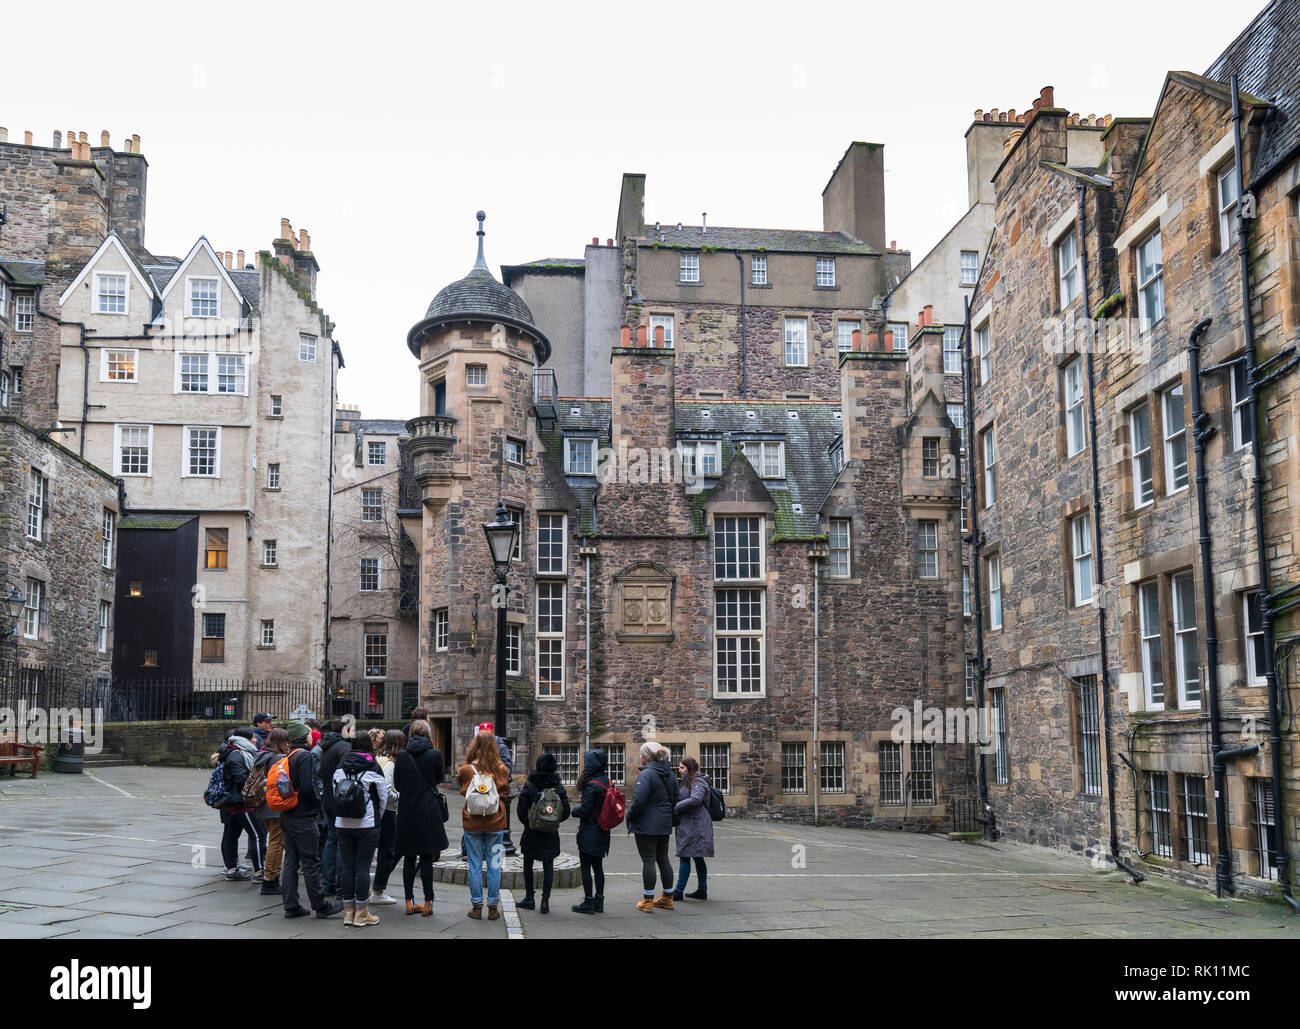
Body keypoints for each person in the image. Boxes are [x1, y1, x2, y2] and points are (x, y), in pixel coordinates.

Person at [279, 720, 345, 919]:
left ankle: (291, 905)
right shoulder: (305, 756)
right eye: (309, 734)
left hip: (287, 814)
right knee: (310, 862)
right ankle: (320, 905)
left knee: (290, 861)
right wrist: (318, 803)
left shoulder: (288, 755)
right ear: (303, 736)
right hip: (303, 816)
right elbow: (308, 787)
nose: (312, 736)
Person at [332, 733, 388, 927]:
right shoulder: (373, 767)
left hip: (342, 823)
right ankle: (362, 914)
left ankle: (349, 913)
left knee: (348, 867)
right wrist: (376, 816)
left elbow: (335, 794)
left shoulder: (340, 767)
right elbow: (383, 797)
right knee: (362, 868)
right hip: (367, 823)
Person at [393, 720, 448, 916]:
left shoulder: (401, 755)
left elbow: (397, 785)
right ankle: (427, 903)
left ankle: (408, 902)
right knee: (426, 857)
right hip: (428, 811)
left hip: (407, 811)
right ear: (427, 734)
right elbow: (438, 780)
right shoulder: (435, 754)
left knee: (408, 857)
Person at [458, 729, 510, 920]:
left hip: (472, 823)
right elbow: (503, 794)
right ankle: (493, 908)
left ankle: (477, 906)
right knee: (495, 865)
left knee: (474, 865)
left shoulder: (466, 770)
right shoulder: (501, 769)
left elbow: (464, 792)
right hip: (495, 823)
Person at [515, 752, 570, 914]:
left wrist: (531, 823)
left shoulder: (530, 784)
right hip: (550, 833)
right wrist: (553, 822)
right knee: (548, 864)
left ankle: (529, 898)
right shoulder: (558, 787)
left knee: (528, 864)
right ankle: (545, 901)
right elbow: (566, 811)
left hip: (531, 832)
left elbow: (520, 810)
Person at [627, 741, 677, 912]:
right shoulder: (670, 774)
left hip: (647, 824)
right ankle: (668, 897)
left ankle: (647, 900)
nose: (640, 757)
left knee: (648, 860)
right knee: (663, 858)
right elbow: (675, 799)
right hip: (664, 822)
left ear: (646, 757)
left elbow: (639, 801)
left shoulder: (647, 774)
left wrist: (630, 815)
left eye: (641, 754)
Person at [218, 728, 265, 881]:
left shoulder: (236, 751)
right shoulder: (236, 754)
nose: (255, 740)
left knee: (231, 835)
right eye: (252, 737)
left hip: (234, 802)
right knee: (257, 835)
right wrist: (255, 786)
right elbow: (240, 779)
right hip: (241, 803)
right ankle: (260, 872)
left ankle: (232, 870)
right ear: (245, 739)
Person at [570, 749, 611, 915]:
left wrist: (574, 811)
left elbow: (586, 810)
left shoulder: (592, 785)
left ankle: (588, 901)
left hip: (590, 830)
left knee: (586, 867)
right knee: (598, 867)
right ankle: (599, 901)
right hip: (603, 830)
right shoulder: (606, 781)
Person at [316, 719, 353, 900]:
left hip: (328, 799)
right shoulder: (343, 748)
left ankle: (327, 884)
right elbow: (347, 771)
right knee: (341, 843)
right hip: (340, 799)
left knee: (331, 841)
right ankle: (340, 887)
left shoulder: (326, 746)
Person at [368, 729, 404, 907]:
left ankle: (377, 888)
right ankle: (378, 890)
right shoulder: (389, 764)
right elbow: (388, 791)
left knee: (386, 850)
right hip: (389, 811)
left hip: (379, 810)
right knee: (388, 851)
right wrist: (400, 797)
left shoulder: (378, 759)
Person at [254, 727, 291, 896]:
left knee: (274, 841)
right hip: (274, 804)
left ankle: (271, 877)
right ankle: (269, 880)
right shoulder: (277, 758)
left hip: (262, 804)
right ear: (281, 742)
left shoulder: (262, 754)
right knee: (276, 843)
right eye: (286, 742)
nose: (288, 745)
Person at [672, 756, 714, 901]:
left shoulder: (698, 781)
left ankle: (678, 891)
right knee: (697, 857)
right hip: (690, 823)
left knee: (685, 856)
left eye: (682, 767)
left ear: (689, 769)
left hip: (696, 824)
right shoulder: (687, 782)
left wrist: (676, 807)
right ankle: (702, 890)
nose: (679, 770)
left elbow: (696, 799)